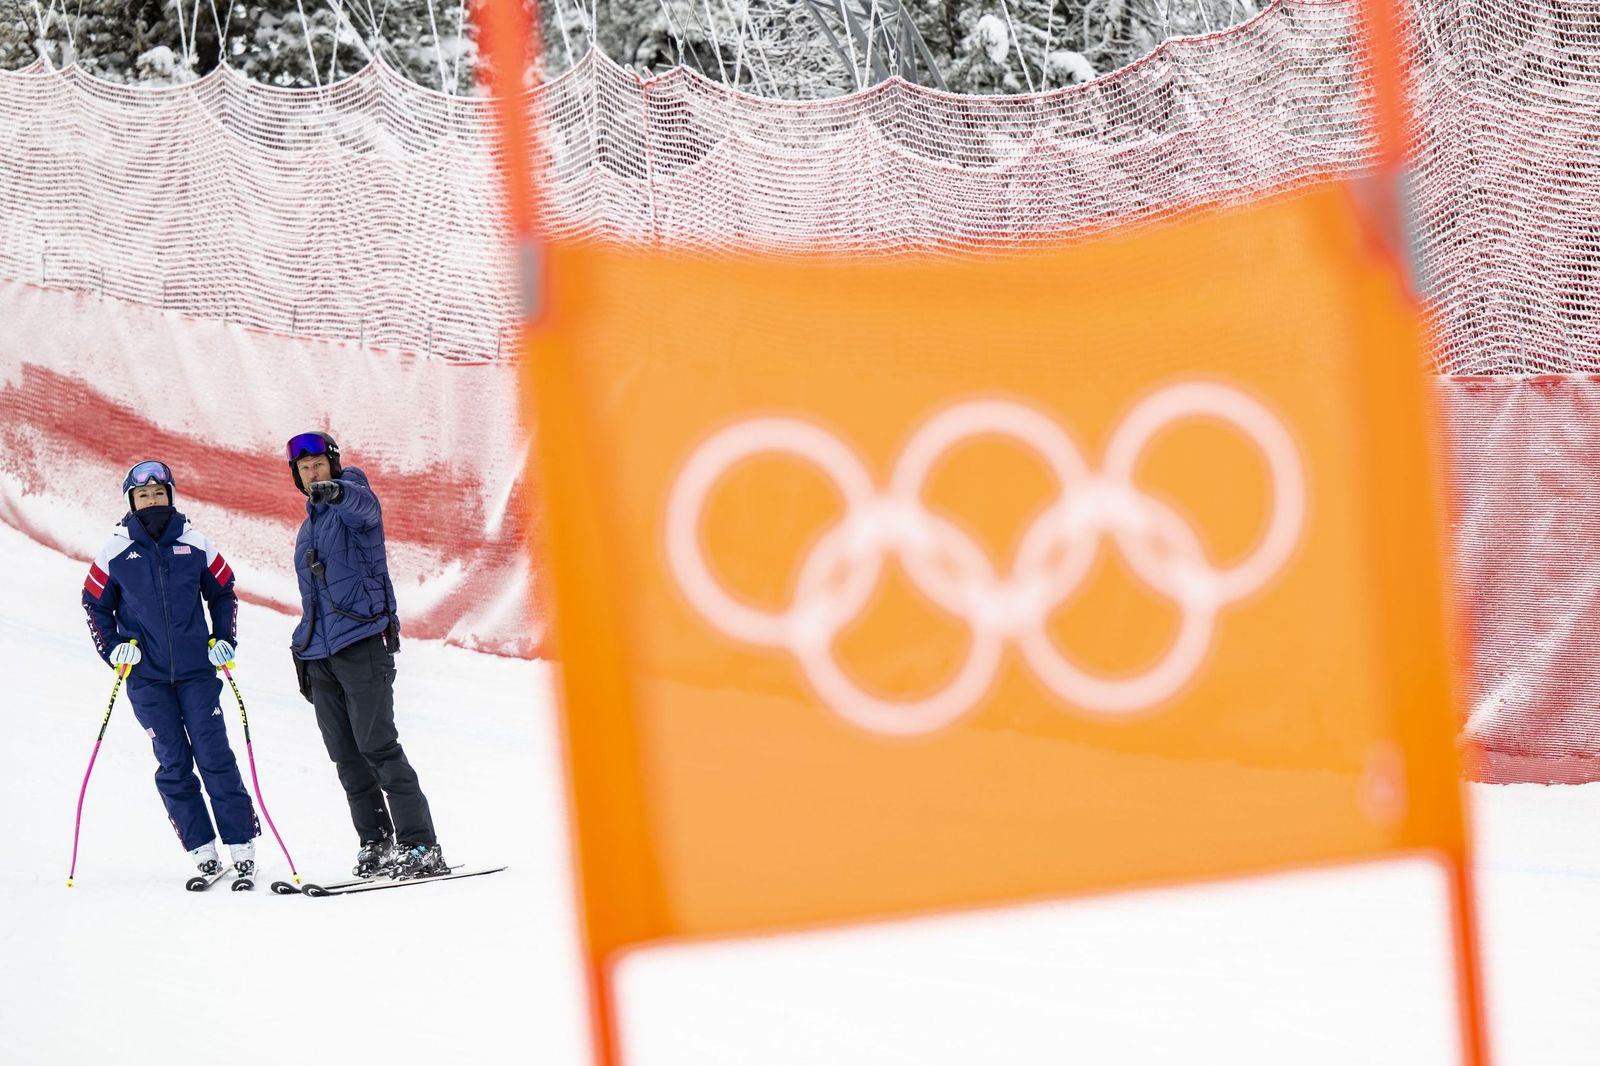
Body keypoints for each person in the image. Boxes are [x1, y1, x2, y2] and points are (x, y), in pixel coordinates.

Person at [81, 460, 259, 881]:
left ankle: (241, 844)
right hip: (146, 679)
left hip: (198, 673)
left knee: (215, 757)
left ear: (170, 496)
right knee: (173, 763)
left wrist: (224, 638)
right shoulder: (114, 550)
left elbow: (223, 592)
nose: (152, 500)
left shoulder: (196, 543)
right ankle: (202, 849)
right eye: (143, 495)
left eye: (159, 494)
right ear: (131, 500)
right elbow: (94, 604)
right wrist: (114, 649)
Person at [286, 431, 446, 879]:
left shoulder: (353, 501)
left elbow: (363, 506)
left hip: (361, 642)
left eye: (318, 464)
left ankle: (420, 845)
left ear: (333, 466)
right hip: (321, 653)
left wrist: (338, 491)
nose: (311, 473)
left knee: (378, 746)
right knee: (346, 755)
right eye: (303, 468)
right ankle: (375, 841)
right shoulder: (307, 529)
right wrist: (305, 649)